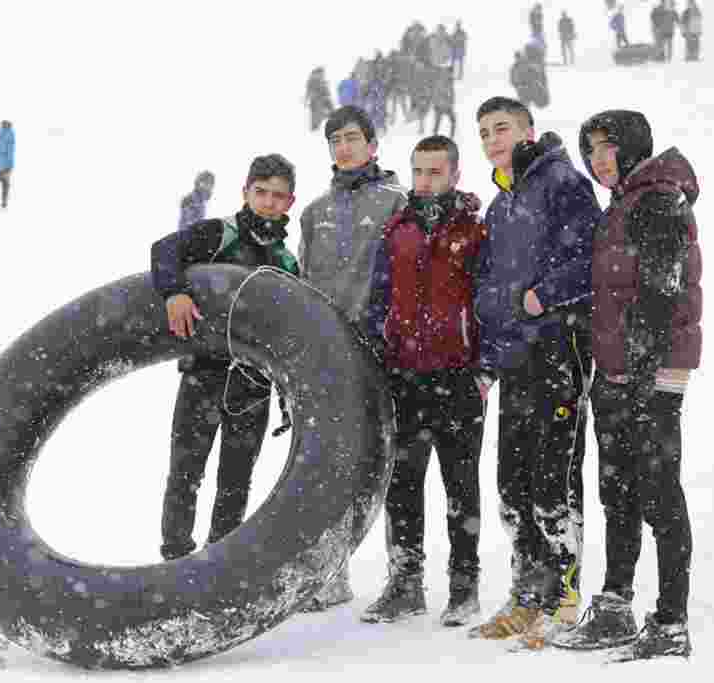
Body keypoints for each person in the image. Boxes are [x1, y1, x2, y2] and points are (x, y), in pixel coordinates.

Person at [550, 109, 701, 662]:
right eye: (590, 149)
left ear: (633, 146)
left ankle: (671, 622)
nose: (598, 159)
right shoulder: (625, 204)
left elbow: (661, 295)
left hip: (653, 374)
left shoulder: (659, 200)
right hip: (619, 372)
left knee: (659, 494)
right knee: (618, 492)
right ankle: (615, 607)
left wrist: (637, 375)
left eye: (606, 146)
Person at [467, 97, 600, 649]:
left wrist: (543, 296)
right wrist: (488, 358)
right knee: (512, 485)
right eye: (484, 132)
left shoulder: (562, 181)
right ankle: (526, 595)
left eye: (503, 128)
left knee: (554, 482)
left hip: (559, 350)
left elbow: (592, 256)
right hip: (516, 360)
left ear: (529, 131)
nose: (494, 139)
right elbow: (494, 291)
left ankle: (561, 600)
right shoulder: (500, 206)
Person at [361, 135, 487, 628]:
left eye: (437, 171)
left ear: (455, 174)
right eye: (420, 171)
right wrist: (380, 350)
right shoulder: (397, 230)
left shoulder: (474, 231)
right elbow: (378, 299)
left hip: (457, 379)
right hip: (405, 377)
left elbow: (488, 302)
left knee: (461, 485)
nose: (427, 180)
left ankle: (464, 585)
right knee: (403, 484)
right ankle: (406, 582)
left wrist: (485, 369)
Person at [151, 154, 300, 562]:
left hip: (253, 388)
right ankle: (176, 558)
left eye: (278, 196)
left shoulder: (286, 262)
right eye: (261, 193)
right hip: (204, 375)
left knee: (236, 481)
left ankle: (219, 562)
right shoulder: (219, 234)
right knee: (185, 474)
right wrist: (174, 293)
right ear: (246, 193)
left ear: (289, 203)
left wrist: (288, 394)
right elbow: (164, 250)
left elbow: (290, 333)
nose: (268, 203)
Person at [298, 105, 409, 611]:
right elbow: (301, 282)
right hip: (322, 355)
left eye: (351, 138)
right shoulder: (315, 212)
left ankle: (403, 576)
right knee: (324, 465)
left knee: (381, 465)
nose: (343, 148)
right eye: (335, 140)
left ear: (371, 144)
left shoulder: (395, 202)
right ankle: (330, 573)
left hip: (377, 352)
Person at [305, 67, 334, 133]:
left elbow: (308, 90)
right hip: (318, 99)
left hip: (319, 99)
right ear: (319, 72)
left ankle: (315, 128)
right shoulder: (316, 78)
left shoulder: (315, 78)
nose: (324, 74)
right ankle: (315, 129)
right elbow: (322, 88)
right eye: (323, 72)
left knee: (318, 115)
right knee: (318, 115)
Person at [432, 67, 456, 138]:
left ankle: (451, 137)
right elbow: (437, 92)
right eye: (451, 73)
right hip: (441, 105)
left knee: (451, 121)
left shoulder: (449, 80)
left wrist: (451, 101)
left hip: (444, 105)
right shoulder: (443, 80)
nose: (452, 75)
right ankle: (435, 137)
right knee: (438, 122)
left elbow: (451, 92)